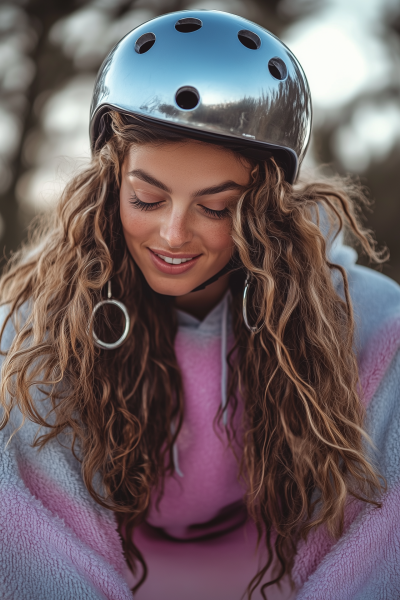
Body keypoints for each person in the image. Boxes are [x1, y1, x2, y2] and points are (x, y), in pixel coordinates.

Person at [0, 9, 400, 600]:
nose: (172, 235)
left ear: (266, 207)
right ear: (111, 182)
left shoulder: (371, 322)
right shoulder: (38, 322)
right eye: (146, 197)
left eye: (216, 208)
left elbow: (384, 525)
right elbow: (24, 518)